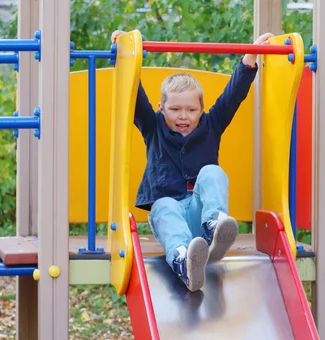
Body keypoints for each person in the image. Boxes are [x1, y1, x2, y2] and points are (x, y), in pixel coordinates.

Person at [110, 30, 274, 292]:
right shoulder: (153, 126)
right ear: (161, 109)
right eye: (175, 109)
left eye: (191, 109)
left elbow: (233, 95)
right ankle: (185, 260)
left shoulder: (212, 124)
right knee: (162, 206)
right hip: (171, 217)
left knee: (212, 172)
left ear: (202, 109)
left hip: (201, 212)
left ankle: (214, 227)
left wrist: (250, 56)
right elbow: (134, 96)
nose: (183, 116)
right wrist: (124, 55)